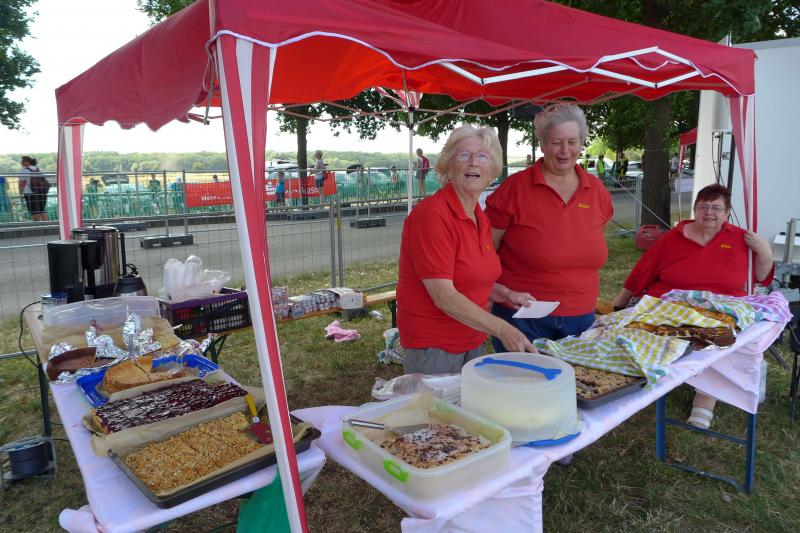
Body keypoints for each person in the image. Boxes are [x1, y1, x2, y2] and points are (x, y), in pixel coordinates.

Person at [612, 183, 774, 429]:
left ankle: (705, 398)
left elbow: (761, 276)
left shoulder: (741, 238)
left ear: (727, 212)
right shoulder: (673, 237)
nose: (709, 212)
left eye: (716, 207)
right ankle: (643, 380)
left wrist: (764, 250)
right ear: (695, 210)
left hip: (719, 308)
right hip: (671, 305)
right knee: (641, 331)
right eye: (703, 206)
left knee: (715, 339)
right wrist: (621, 301)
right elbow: (643, 270)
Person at [397, 125, 537, 375]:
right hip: (434, 347)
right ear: (449, 165)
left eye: (482, 156)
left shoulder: (479, 217)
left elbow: (469, 278)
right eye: (464, 155)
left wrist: (507, 294)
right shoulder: (432, 215)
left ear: (492, 170)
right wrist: (503, 329)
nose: (473, 162)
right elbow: (444, 296)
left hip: (472, 339)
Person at [485, 103, 613, 348]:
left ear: (581, 144)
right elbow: (485, 248)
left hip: (581, 316)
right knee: (524, 374)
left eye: (572, 142)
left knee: (576, 375)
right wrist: (490, 291)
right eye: (556, 142)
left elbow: (595, 237)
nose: (565, 150)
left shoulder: (597, 191)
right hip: (522, 316)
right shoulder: (514, 189)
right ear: (543, 145)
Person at [19, 156, 49, 221]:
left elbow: (21, 184)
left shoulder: (24, 170)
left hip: (30, 193)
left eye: (23, 161)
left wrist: (21, 195)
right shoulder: (39, 169)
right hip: (42, 192)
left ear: (27, 162)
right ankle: (48, 225)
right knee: (42, 210)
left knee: (34, 211)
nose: (21, 163)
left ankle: (38, 226)